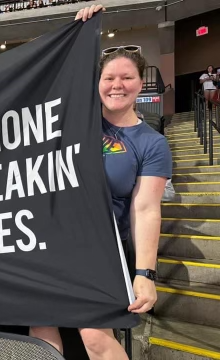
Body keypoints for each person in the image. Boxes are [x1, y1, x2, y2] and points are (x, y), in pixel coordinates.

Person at [29, 5, 172, 359]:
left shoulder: (151, 143)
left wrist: (145, 273)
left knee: (94, 335)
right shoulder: (72, 119)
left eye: (126, 77)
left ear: (141, 82)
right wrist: (77, 32)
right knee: (40, 331)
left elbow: (146, 208)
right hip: (52, 242)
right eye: (108, 78)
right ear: (96, 83)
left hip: (104, 251)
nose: (117, 85)